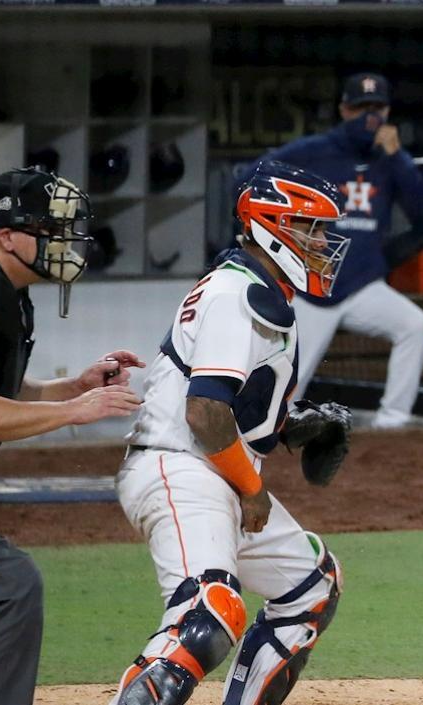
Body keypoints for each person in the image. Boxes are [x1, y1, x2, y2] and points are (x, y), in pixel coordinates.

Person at [110, 161, 349, 704]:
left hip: (211, 470)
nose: (321, 242)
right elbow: (205, 412)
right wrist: (251, 486)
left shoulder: (255, 289)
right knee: (208, 612)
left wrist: (291, 426)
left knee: (310, 587)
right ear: (268, 225)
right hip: (181, 467)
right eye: (309, 229)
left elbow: (236, 404)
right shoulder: (235, 295)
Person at [0, 167, 144, 705]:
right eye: (49, 229)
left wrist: (73, 387)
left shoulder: (0, 290)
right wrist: (76, 412)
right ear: (6, 236)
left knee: (8, 585)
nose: (64, 242)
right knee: (8, 586)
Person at [240, 71, 423, 429]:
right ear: (344, 110)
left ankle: (393, 421)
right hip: (312, 287)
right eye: (362, 107)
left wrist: (397, 158)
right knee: (287, 392)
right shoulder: (315, 151)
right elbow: (249, 177)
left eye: (377, 107)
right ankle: (264, 432)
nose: (370, 117)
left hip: (362, 285)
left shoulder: (390, 159)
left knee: (415, 325)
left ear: (389, 111)